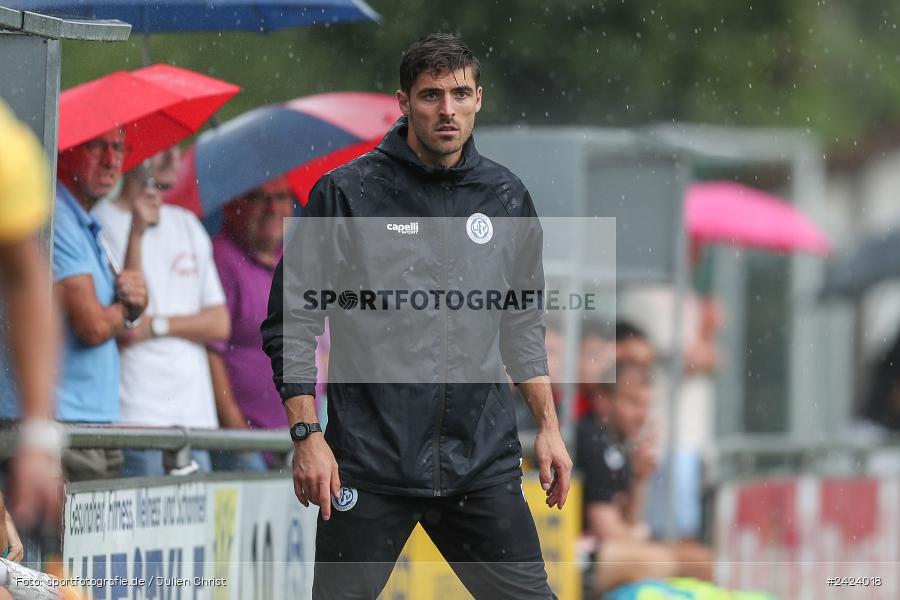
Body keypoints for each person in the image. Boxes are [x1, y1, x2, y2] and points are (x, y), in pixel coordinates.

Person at [262, 32, 571, 599]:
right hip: (368, 464)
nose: (447, 110)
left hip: (480, 465)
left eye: (459, 94)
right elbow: (292, 319)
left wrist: (549, 429)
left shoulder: (506, 196)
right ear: (403, 102)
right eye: (431, 96)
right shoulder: (348, 193)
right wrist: (306, 433)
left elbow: (521, 323)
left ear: (481, 98)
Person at [92, 148, 230, 476]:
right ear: (135, 149)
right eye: (161, 147)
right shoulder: (99, 221)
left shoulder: (187, 223)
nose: (173, 156)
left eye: (178, 145)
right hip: (137, 418)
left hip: (197, 420)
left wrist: (157, 326)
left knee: (200, 529)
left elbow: (220, 323)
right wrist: (136, 233)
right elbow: (127, 323)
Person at [576, 321, 714, 596]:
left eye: (646, 405)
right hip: (578, 559)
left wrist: (640, 479)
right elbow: (607, 529)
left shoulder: (618, 446)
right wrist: (645, 543)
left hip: (606, 553)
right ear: (604, 399)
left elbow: (630, 522)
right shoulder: (593, 438)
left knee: (698, 560)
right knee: (686, 562)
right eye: (631, 403)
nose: (640, 415)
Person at [53, 127, 148, 480]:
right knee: (56, 539)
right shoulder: (57, 214)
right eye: (96, 146)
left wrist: (130, 308)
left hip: (94, 421)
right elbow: (92, 326)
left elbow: (120, 321)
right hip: (65, 423)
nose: (111, 161)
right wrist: (128, 312)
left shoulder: (83, 219)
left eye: (119, 148)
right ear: (65, 149)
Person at [208, 176, 314, 472]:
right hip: (246, 447)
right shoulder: (221, 259)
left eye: (282, 197)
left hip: (298, 441)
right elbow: (211, 354)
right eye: (258, 197)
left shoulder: (292, 262)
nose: (272, 207)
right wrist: (240, 439)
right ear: (232, 206)